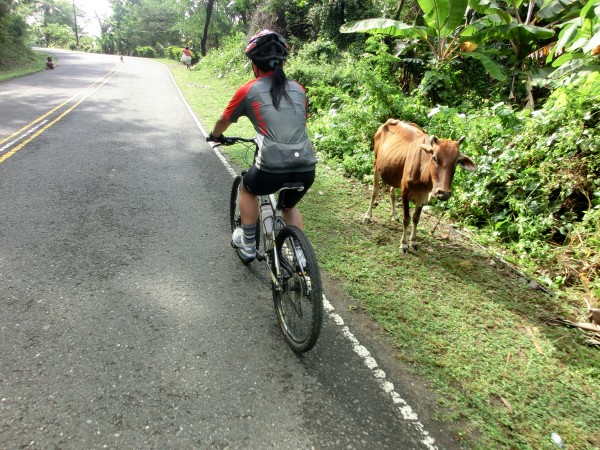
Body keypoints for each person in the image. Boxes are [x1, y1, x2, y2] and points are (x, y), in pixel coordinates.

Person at [207, 29, 317, 263]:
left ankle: (248, 244)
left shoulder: (249, 90)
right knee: (288, 206)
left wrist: (215, 136)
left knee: (247, 188)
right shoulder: (299, 89)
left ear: (255, 65)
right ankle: (300, 256)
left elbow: (223, 121)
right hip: (307, 166)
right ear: (282, 63)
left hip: (271, 168)